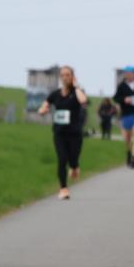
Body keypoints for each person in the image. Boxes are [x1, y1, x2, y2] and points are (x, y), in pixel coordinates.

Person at [38, 66, 87, 199]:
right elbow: (45, 105)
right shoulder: (55, 94)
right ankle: (63, 188)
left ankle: (75, 166)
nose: (65, 77)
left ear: (72, 77)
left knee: (73, 160)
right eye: (63, 75)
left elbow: (83, 101)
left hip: (75, 133)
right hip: (59, 133)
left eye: (67, 75)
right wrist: (43, 109)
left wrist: (76, 86)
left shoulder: (77, 92)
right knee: (62, 159)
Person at [113, 65, 134, 169]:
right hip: (126, 114)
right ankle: (129, 153)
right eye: (127, 73)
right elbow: (116, 98)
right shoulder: (122, 86)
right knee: (127, 138)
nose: (129, 75)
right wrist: (124, 100)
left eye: (130, 73)